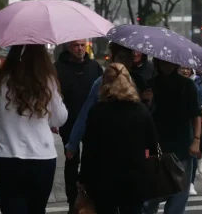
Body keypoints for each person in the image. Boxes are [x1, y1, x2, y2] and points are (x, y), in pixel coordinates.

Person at [0, 44, 68, 214]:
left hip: (5, 157)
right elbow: (60, 118)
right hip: (42, 158)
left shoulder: (0, 79)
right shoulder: (47, 80)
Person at [79, 63, 157, 214]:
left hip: (104, 179)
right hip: (135, 179)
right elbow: (152, 145)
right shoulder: (141, 111)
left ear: (105, 83)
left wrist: (83, 179)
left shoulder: (97, 112)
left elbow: (89, 150)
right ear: (129, 82)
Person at [64, 42, 147, 159]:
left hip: (133, 143)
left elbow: (147, 118)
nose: (124, 62)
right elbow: (86, 112)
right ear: (113, 58)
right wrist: (72, 144)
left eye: (128, 58)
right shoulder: (101, 82)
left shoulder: (139, 81)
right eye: (121, 57)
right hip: (108, 144)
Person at [143, 59, 202, 214]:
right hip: (156, 146)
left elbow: (196, 115)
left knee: (179, 195)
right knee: (151, 197)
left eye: (169, 62)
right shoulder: (150, 85)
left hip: (181, 145)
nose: (166, 65)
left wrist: (197, 140)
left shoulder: (187, 85)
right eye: (162, 62)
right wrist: (147, 103)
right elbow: (142, 117)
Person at [54, 39, 103, 213]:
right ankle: (72, 201)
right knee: (71, 162)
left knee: (91, 162)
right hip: (68, 121)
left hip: (92, 123)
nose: (80, 49)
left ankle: (90, 199)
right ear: (69, 47)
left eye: (83, 45)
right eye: (76, 45)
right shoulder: (58, 68)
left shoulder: (94, 67)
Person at [178, 68, 202, 196]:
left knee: (191, 157)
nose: (185, 71)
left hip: (189, 130)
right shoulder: (156, 82)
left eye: (187, 68)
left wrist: (197, 139)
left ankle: (191, 183)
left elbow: (197, 111)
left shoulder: (193, 84)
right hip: (163, 136)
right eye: (182, 68)